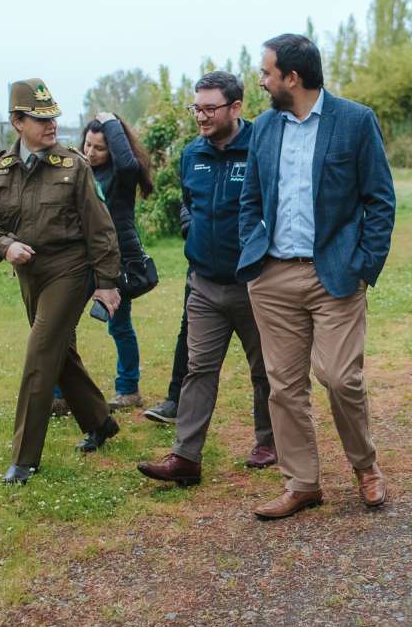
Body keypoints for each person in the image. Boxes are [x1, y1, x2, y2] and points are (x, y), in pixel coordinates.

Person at [237, 33, 396, 520]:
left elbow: (380, 200)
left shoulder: (354, 121)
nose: (261, 81)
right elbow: (252, 199)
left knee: (339, 377)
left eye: (266, 73)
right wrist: (255, 257)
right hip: (274, 277)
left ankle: (365, 467)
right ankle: (302, 483)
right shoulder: (264, 128)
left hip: (336, 275)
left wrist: (364, 264)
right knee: (284, 386)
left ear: (292, 77)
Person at [0, 79, 123, 484]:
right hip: (28, 273)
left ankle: (24, 460)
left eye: (53, 116)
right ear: (17, 121)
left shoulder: (73, 166)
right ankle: (100, 421)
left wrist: (107, 282)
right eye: (40, 118)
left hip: (69, 270)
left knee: (40, 354)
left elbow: (101, 229)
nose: (50, 124)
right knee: (59, 353)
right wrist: (4, 246)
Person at [137, 71, 276, 485]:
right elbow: (187, 201)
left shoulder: (262, 149)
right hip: (204, 284)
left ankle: (268, 442)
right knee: (198, 368)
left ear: (235, 108)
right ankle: (185, 457)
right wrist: (189, 228)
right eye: (196, 107)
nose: (201, 116)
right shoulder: (191, 154)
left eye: (210, 108)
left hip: (254, 282)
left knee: (266, 369)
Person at [52, 112, 153, 412]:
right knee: (62, 325)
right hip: (80, 262)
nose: (90, 152)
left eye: (99, 148)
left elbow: (129, 163)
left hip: (115, 263)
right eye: (87, 145)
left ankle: (128, 390)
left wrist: (112, 122)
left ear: (113, 149)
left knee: (119, 327)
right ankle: (60, 394)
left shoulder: (121, 178)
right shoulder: (81, 173)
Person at [143, 210, 191, 424]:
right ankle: (175, 401)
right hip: (203, 267)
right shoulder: (191, 173)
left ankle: (266, 407)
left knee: (257, 339)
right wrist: (191, 226)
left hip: (247, 263)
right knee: (188, 330)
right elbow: (188, 199)